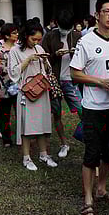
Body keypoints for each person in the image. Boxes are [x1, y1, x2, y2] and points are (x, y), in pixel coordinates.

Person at [70, 0, 109, 215]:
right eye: (106, 11)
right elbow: (75, 73)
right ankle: (88, 198)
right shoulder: (86, 42)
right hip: (93, 107)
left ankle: (102, 188)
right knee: (91, 154)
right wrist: (100, 82)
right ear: (97, 15)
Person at [9, 20, 58, 171]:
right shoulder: (15, 51)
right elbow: (13, 73)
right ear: (25, 36)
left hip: (41, 90)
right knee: (26, 125)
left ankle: (44, 154)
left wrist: (44, 60)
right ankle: (26, 157)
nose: (36, 42)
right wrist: (29, 59)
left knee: (42, 123)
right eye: (33, 39)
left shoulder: (39, 47)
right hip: (26, 91)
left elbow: (47, 69)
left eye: (38, 39)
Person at [42, 9, 83, 158]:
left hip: (71, 80)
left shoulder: (78, 36)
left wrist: (74, 53)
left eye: (68, 27)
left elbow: (84, 60)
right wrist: (55, 55)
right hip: (54, 80)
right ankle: (63, 143)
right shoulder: (50, 35)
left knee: (82, 110)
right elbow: (44, 59)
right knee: (57, 112)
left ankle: (89, 138)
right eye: (62, 27)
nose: (65, 31)